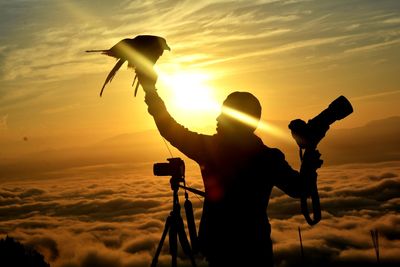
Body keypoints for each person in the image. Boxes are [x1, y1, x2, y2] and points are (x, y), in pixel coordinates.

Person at [137, 69, 322, 267]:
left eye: (224, 113)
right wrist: (309, 158)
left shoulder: (210, 151)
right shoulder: (268, 157)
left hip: (221, 249)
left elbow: (169, 128)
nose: (218, 118)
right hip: (256, 249)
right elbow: (300, 189)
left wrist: (150, 90)